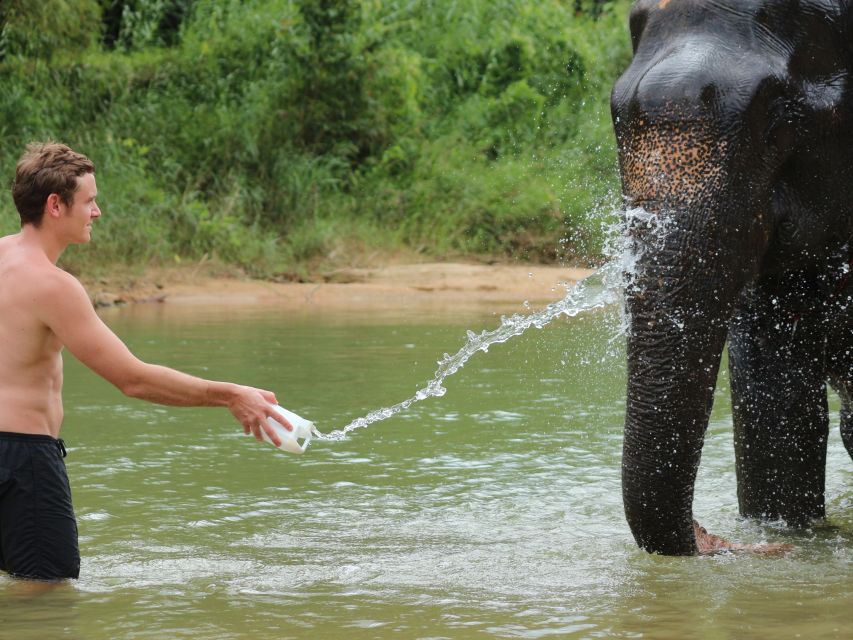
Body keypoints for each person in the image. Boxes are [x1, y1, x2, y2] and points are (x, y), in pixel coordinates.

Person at [0, 142, 291, 581]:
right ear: (55, 205)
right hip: (24, 463)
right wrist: (230, 395)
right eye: (90, 201)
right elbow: (132, 379)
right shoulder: (54, 286)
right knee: (46, 596)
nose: (96, 212)